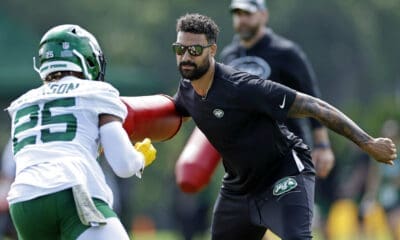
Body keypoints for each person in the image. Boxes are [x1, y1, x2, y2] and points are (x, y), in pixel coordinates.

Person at [171, 13, 397, 240]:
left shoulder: (242, 86)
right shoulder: (187, 90)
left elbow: (313, 105)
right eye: (180, 50)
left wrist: (368, 142)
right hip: (238, 188)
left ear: (211, 50)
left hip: (284, 174)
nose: (186, 57)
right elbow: (170, 114)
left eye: (195, 50)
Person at [6, 24, 157, 240]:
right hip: (69, 188)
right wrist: (140, 157)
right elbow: (123, 164)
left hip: (23, 201)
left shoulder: (21, 103)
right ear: (87, 59)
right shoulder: (96, 91)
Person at [220, 0, 334, 179]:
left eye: (247, 14)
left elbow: (313, 99)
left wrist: (322, 146)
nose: (242, 20)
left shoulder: (286, 52)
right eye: (237, 15)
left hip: (287, 154)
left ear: (264, 15)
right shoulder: (228, 56)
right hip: (245, 160)